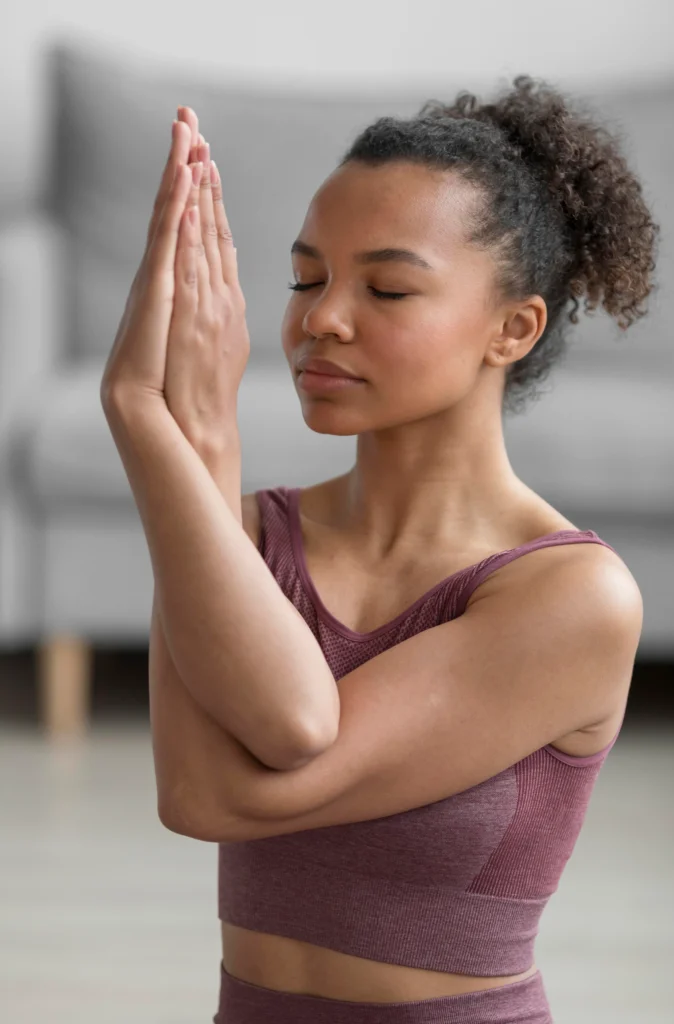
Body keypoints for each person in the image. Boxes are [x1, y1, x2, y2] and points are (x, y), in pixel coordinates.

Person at [102, 76, 657, 1024]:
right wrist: (198, 454)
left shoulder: (574, 597)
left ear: (513, 328)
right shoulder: (242, 535)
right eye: (307, 278)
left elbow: (208, 796)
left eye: (387, 288)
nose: (322, 317)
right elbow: (263, 739)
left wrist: (151, 420)